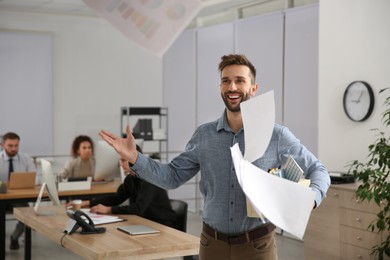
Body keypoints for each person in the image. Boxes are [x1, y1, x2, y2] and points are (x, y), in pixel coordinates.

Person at [99, 54, 330, 260]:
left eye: (240, 80)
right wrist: (135, 157)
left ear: (253, 88)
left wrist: (311, 198)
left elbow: (318, 170)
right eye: (226, 80)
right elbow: (171, 177)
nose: (232, 86)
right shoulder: (204, 135)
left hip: (258, 247)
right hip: (212, 245)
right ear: (220, 86)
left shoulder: (276, 135)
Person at [68, 145, 176, 228]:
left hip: (162, 224)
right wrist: (88, 203)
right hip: (145, 220)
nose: (120, 164)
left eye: (123, 160)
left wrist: (109, 210)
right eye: (120, 160)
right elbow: (116, 198)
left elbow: (138, 208)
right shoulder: (131, 179)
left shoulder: (150, 178)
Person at [0, 132, 36, 250]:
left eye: (16, 145)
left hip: (18, 199)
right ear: (2, 145)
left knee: (28, 215)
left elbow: (36, 179)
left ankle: (14, 238)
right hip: (1, 198)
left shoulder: (26, 159)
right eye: (10, 145)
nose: (14, 148)